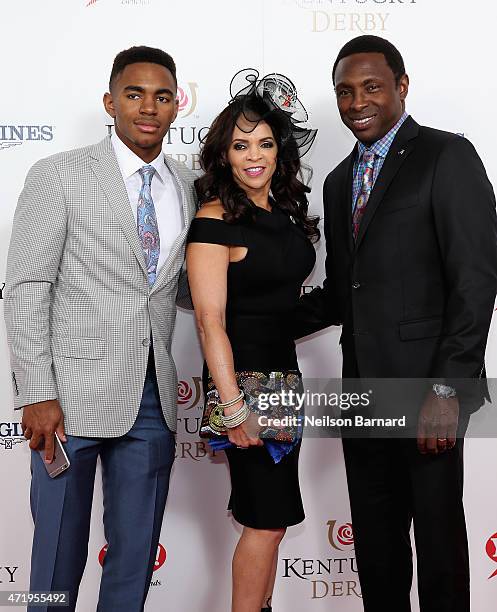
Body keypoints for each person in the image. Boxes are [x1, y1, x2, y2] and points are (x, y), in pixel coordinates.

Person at [297, 36, 497, 611]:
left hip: (427, 392)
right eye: (345, 91)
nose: (357, 101)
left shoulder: (447, 156)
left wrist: (446, 389)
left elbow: (475, 280)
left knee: (438, 551)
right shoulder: (336, 182)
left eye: (372, 87)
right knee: (378, 556)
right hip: (361, 395)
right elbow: (345, 292)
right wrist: (254, 318)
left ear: (401, 88)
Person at [4, 46, 196, 612]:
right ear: (110, 101)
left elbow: (179, 287)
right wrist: (37, 392)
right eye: (134, 94)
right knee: (56, 559)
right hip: (69, 401)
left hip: (152, 401)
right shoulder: (59, 175)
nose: (148, 107)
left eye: (162, 96)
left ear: (175, 106)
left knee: (134, 558)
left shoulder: (188, 186)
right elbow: (29, 286)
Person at [186, 69, 318, 612]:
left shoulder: (285, 216)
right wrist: (234, 405)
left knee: (276, 520)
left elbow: (284, 309)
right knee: (264, 522)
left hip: (285, 382)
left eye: (264, 143)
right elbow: (209, 321)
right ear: (224, 155)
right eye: (241, 145)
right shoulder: (215, 220)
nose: (253, 155)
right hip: (242, 387)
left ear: (280, 151)